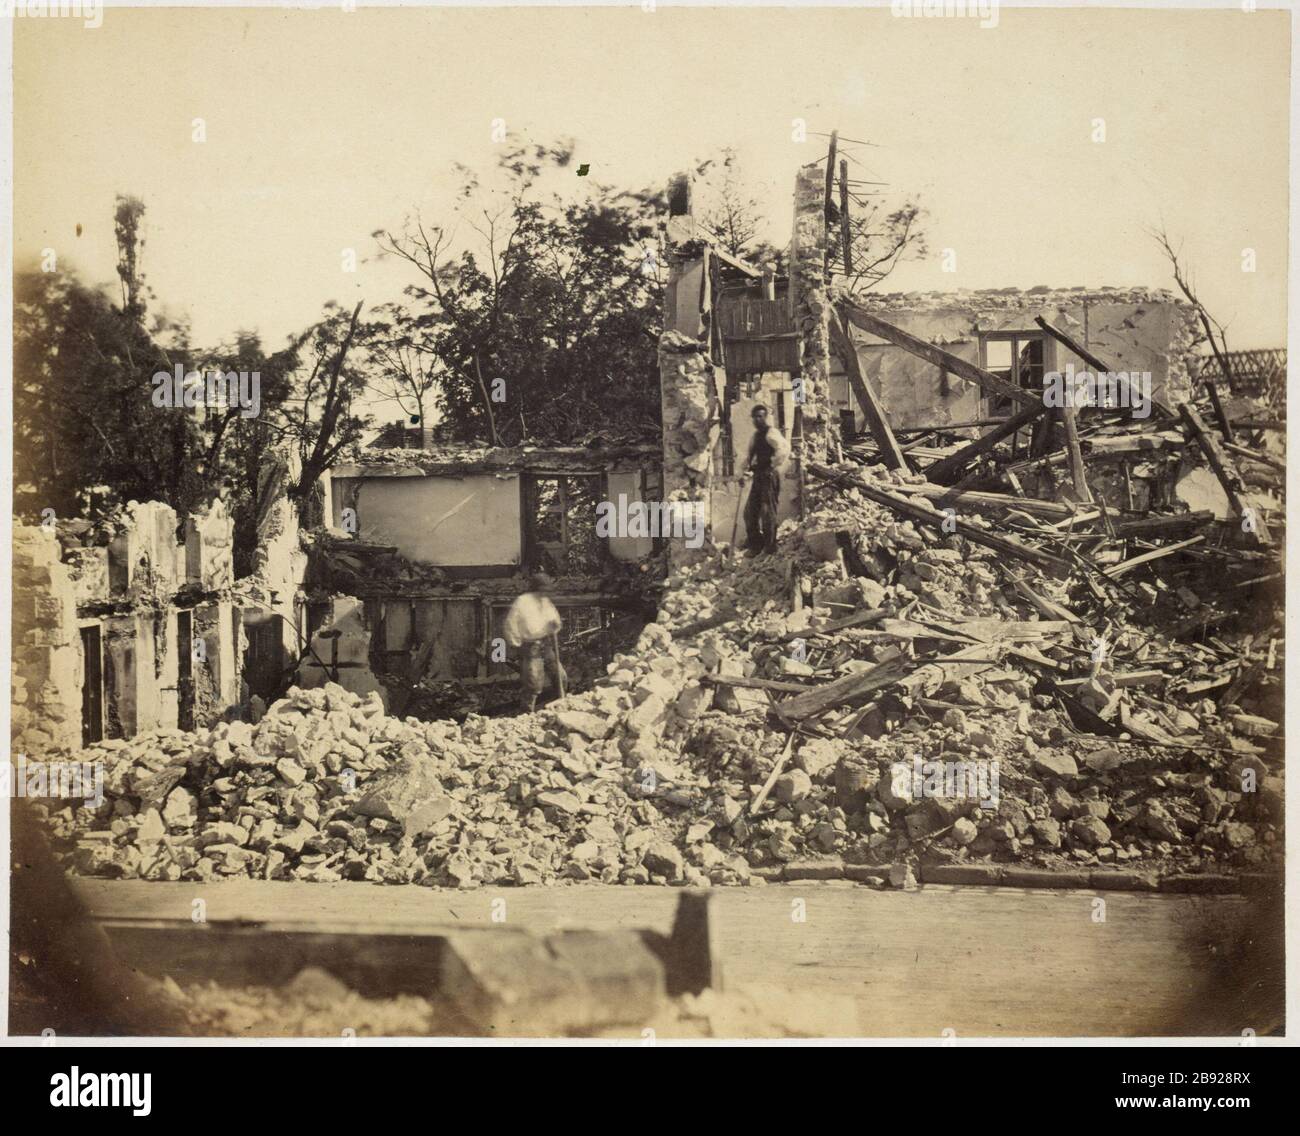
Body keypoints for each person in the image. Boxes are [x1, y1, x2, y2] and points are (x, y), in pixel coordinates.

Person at [502, 572, 567, 712]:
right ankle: (527, 713)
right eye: (543, 589)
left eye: (547, 590)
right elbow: (510, 624)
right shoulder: (522, 602)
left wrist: (555, 625)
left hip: (546, 644)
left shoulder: (546, 602)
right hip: (530, 646)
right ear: (536, 588)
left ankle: (555, 708)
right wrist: (516, 644)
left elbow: (555, 620)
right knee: (533, 684)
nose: (546, 593)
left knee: (561, 677)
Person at [742, 404, 790, 556]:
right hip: (757, 477)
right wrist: (743, 473)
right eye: (755, 417)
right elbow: (749, 458)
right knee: (750, 512)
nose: (757, 419)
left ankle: (770, 547)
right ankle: (756, 545)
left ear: (766, 417)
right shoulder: (755, 436)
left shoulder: (772, 433)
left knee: (767, 511)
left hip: (769, 476)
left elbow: (784, 449)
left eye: (760, 416)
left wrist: (770, 464)